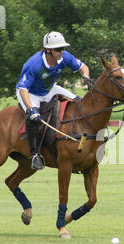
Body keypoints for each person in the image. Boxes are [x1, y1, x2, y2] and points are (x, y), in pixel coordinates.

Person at [16, 31, 90, 170]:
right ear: (48, 50)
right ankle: (34, 154)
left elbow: (83, 67)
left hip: (50, 88)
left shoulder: (64, 57)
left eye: (63, 48)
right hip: (30, 92)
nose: (61, 51)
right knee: (33, 118)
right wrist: (31, 109)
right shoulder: (34, 64)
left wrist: (85, 77)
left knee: (78, 101)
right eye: (58, 49)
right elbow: (23, 88)